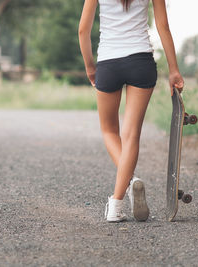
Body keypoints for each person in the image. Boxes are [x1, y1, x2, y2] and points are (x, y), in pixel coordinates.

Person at [78, 0, 184, 222]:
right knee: (131, 134)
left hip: (108, 63)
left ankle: (125, 189)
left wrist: (90, 67)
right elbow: (163, 26)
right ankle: (118, 200)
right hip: (141, 62)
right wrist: (173, 70)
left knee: (109, 131)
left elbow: (83, 30)